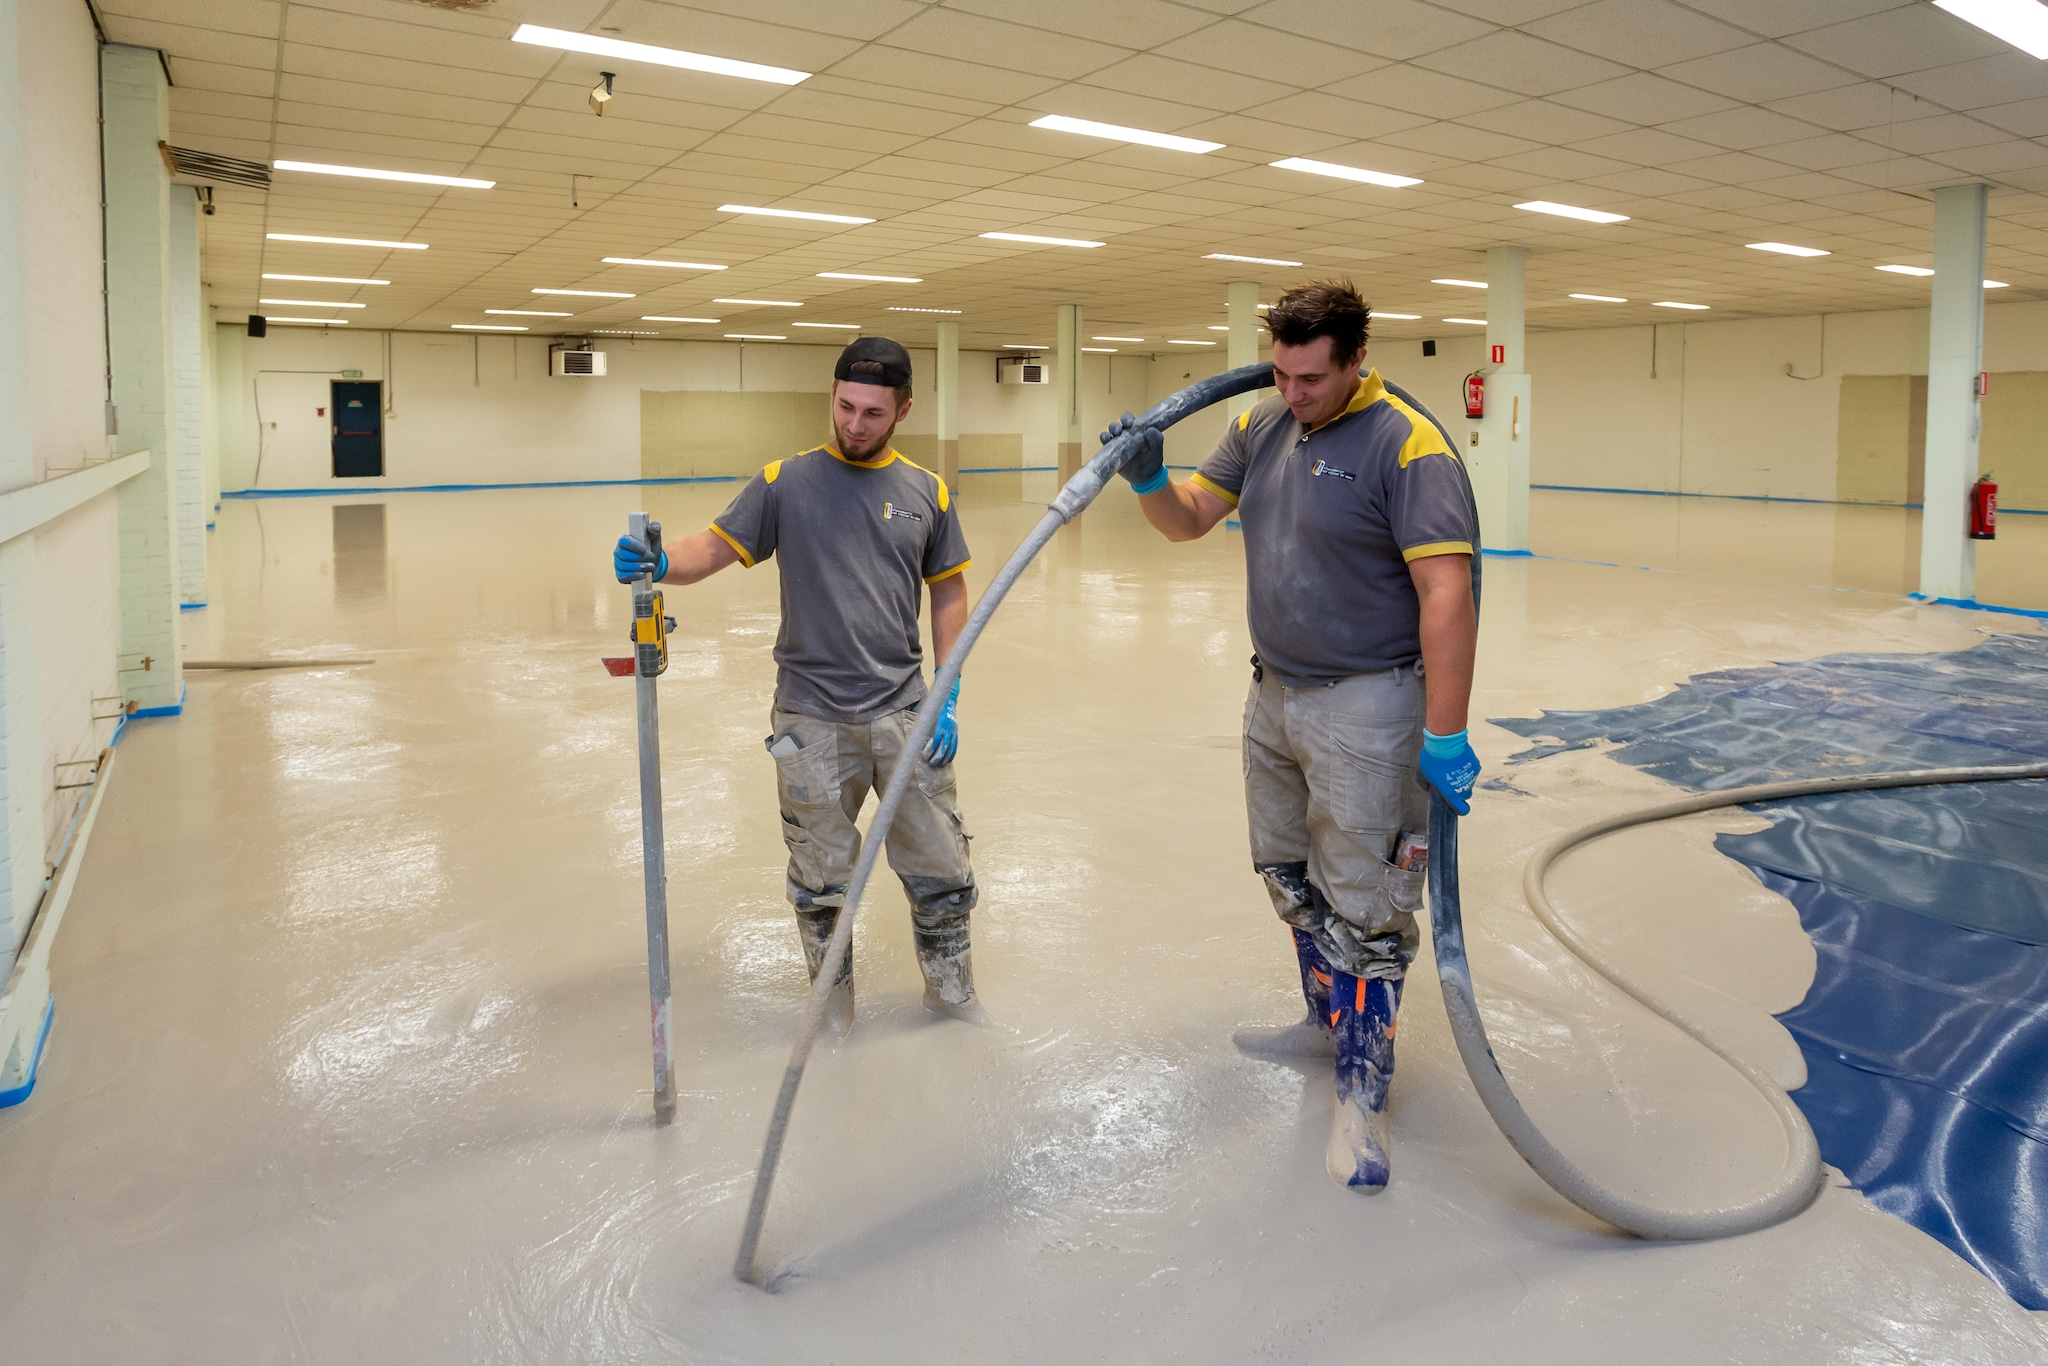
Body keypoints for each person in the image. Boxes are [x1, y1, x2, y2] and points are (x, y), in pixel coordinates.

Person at [1105, 279, 1482, 1194]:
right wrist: (1153, 478)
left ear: (1357, 359)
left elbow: (1446, 593)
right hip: (1275, 691)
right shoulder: (1263, 425)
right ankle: (1326, 1025)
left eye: (1311, 376)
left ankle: (1364, 1096)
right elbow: (1192, 519)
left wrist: (1446, 733)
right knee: (1287, 870)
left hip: (1371, 706)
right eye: (1280, 370)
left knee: (1367, 906)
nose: (1293, 390)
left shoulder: (1409, 444)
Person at [612, 337, 979, 1033]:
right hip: (809, 720)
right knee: (820, 883)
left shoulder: (925, 491)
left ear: (904, 410)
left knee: (942, 871)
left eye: (873, 412)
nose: (855, 424)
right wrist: (660, 559)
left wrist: (947, 690)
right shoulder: (786, 482)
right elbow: (711, 549)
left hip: (904, 711)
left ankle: (954, 1001)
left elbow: (948, 591)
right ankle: (832, 1016)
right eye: (845, 406)